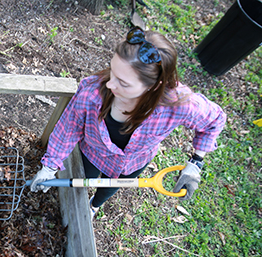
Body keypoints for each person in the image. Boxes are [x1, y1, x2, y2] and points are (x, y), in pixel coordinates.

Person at [30, 27, 226, 215]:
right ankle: (84, 197)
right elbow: (68, 128)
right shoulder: (92, 93)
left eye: (123, 82)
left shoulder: (178, 105)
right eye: (112, 71)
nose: (109, 83)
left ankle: (94, 206)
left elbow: (214, 120)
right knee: (85, 178)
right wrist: (50, 166)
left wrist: (196, 162)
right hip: (92, 152)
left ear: (155, 86)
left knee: (110, 188)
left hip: (132, 162)